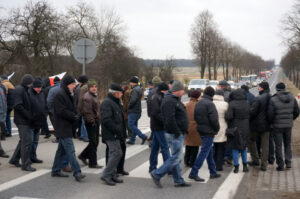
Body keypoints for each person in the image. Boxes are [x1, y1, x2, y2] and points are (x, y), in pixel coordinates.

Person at [151, 80, 191, 188]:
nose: (183, 92)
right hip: (174, 133)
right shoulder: (169, 101)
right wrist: (177, 131)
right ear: (177, 90)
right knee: (176, 158)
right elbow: (169, 119)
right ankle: (157, 174)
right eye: (182, 90)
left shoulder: (174, 99)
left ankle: (178, 180)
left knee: (175, 157)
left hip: (177, 132)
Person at [51, 75, 85, 182]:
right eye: (72, 84)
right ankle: (77, 172)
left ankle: (55, 170)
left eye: (74, 84)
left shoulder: (68, 94)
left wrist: (76, 114)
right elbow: (61, 111)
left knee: (61, 151)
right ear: (67, 85)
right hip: (62, 127)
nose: (74, 86)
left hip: (67, 126)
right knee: (71, 151)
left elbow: (71, 108)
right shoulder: (59, 95)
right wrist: (73, 116)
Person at [189, 87, 221, 182]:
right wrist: (217, 129)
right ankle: (193, 173)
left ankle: (213, 172)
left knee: (209, 152)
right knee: (204, 152)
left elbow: (195, 116)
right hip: (209, 131)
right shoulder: (210, 104)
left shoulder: (199, 103)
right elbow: (214, 119)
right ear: (212, 95)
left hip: (201, 129)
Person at [268, 82, 300, 171]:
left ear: (277, 89)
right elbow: (297, 111)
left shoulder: (273, 99)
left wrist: (272, 123)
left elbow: (270, 114)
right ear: (285, 88)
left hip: (277, 126)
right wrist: (291, 119)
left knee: (278, 145)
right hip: (288, 125)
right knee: (287, 144)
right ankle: (288, 161)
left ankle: (280, 165)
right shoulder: (292, 98)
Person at [100, 83, 126, 186]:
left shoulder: (116, 102)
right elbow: (106, 120)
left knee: (113, 154)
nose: (122, 95)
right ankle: (106, 174)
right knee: (117, 153)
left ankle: (113, 174)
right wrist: (117, 130)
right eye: (120, 93)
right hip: (111, 134)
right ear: (115, 93)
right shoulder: (107, 103)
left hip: (116, 133)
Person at [9, 74, 36, 171]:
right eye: (31, 83)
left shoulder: (23, 89)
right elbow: (18, 106)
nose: (31, 84)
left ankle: (14, 159)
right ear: (28, 83)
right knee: (26, 142)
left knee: (23, 141)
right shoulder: (20, 90)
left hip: (23, 119)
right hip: (22, 120)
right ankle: (25, 164)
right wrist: (28, 115)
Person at [78, 80, 102, 169]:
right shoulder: (87, 97)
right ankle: (93, 163)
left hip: (95, 122)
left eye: (95, 86)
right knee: (93, 143)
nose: (94, 88)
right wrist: (92, 121)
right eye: (92, 86)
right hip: (91, 122)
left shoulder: (93, 96)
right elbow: (87, 112)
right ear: (89, 88)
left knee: (95, 142)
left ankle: (83, 155)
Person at [225, 89, 250, 173]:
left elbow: (229, 116)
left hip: (235, 127)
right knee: (243, 146)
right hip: (246, 126)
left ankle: (236, 167)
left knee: (234, 147)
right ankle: (245, 166)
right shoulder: (247, 102)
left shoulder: (232, 104)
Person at [148, 82, 170, 173]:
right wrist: (166, 122)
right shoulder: (157, 97)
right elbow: (156, 113)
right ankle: (168, 168)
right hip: (159, 126)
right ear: (163, 90)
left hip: (156, 125)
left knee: (155, 147)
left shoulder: (157, 96)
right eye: (166, 90)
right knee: (165, 147)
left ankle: (152, 166)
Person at [249, 82, 271, 171]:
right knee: (265, 144)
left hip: (256, 124)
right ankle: (264, 165)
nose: (258, 88)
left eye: (259, 86)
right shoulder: (271, 97)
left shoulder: (258, 98)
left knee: (251, 140)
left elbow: (252, 112)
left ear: (262, 88)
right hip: (267, 124)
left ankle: (255, 159)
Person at [28, 78, 46, 164]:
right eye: (37, 87)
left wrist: (44, 115)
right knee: (30, 142)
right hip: (31, 122)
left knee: (35, 142)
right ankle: (27, 158)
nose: (39, 89)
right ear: (33, 87)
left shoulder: (41, 94)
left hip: (39, 121)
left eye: (40, 87)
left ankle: (33, 156)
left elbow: (44, 105)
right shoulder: (29, 93)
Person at [127, 76, 147, 145]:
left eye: (130, 82)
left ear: (132, 83)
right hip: (138, 110)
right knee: (134, 125)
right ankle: (132, 140)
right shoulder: (139, 89)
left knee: (130, 125)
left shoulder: (135, 90)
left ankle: (143, 136)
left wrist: (128, 106)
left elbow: (133, 100)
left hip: (133, 110)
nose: (130, 84)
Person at [184, 90, 202, 167]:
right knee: (195, 146)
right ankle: (192, 162)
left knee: (188, 144)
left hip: (187, 127)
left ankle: (186, 160)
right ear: (198, 97)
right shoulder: (199, 105)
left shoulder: (186, 105)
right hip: (196, 127)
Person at [213, 90, 228, 171]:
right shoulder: (225, 104)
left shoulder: (211, 103)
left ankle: (213, 164)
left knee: (213, 147)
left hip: (213, 127)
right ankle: (219, 165)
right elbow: (228, 116)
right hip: (222, 127)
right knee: (221, 148)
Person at [147, 76, 162, 147]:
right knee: (157, 129)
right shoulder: (161, 91)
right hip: (159, 114)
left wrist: (149, 113)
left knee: (154, 128)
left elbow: (148, 103)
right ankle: (152, 141)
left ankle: (152, 141)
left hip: (153, 114)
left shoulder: (151, 91)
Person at [75, 75, 89, 142]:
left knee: (83, 123)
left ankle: (84, 136)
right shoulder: (88, 86)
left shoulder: (83, 88)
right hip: (88, 107)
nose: (78, 83)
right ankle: (83, 135)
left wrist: (79, 108)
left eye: (79, 82)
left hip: (84, 108)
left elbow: (81, 99)